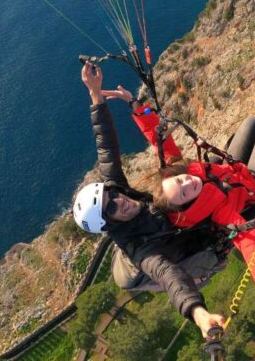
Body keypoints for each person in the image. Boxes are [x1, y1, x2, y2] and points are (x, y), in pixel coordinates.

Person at [101, 85, 255, 323]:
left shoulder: (177, 172)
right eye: (186, 193)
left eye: (181, 180)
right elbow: (245, 237)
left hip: (228, 172)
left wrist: (135, 105)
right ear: (188, 204)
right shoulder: (216, 210)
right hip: (252, 189)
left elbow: (159, 137)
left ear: (172, 175)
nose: (188, 183)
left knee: (251, 123)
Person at [72, 63, 225, 338]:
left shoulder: (118, 193)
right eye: (112, 207)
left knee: (214, 167)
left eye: (114, 195)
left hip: (173, 219)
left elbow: (106, 148)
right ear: (109, 224)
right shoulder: (141, 251)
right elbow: (169, 277)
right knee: (217, 232)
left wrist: (95, 96)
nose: (120, 200)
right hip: (185, 244)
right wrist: (199, 314)